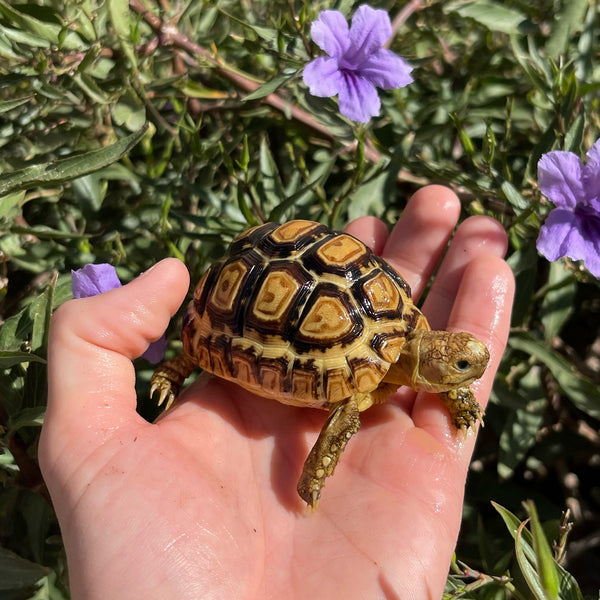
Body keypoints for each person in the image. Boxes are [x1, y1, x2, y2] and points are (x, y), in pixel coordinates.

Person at [39, 185, 515, 599]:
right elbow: (342, 422)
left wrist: (457, 392)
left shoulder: (411, 334)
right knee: (339, 409)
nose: (467, 371)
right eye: (459, 367)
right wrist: (315, 475)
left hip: (319, 308)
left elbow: (433, 376)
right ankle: (183, 361)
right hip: (250, 306)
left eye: (463, 366)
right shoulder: (375, 376)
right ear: (429, 358)